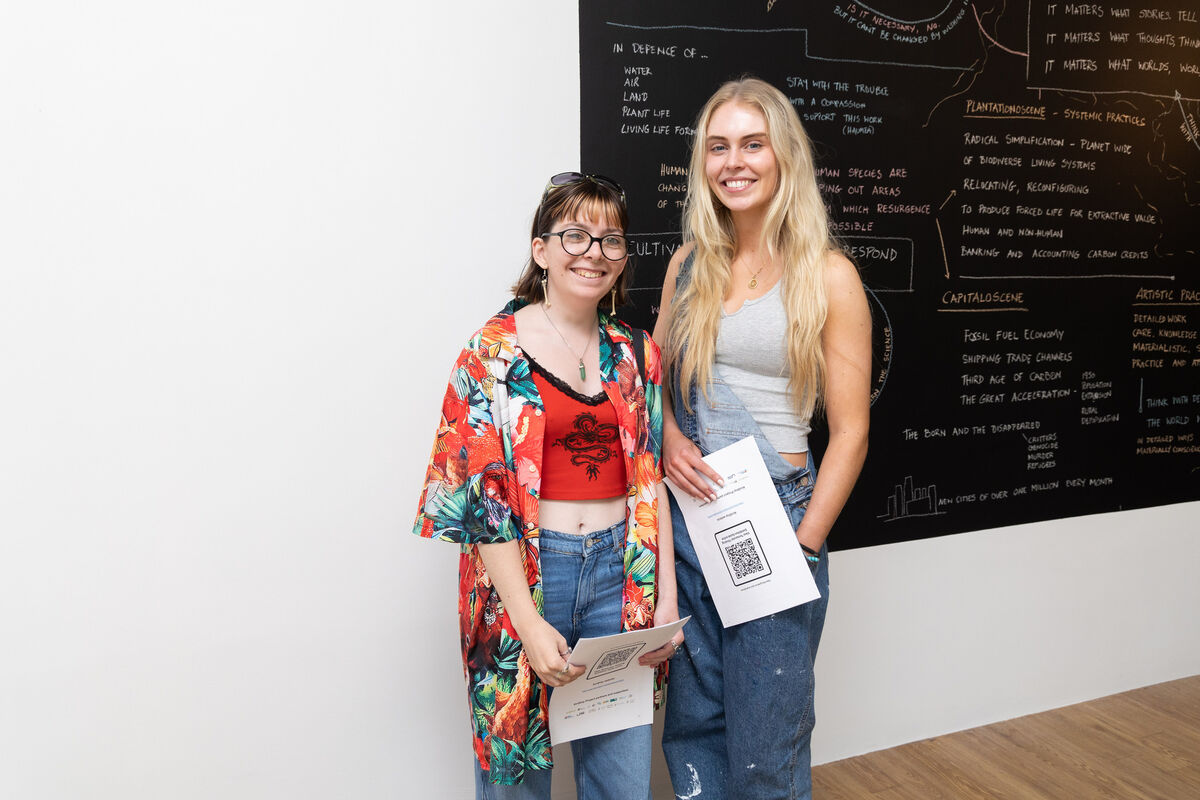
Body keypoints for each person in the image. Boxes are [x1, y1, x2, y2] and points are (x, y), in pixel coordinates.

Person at [413, 172, 682, 800]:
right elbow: (479, 506)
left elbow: (652, 479)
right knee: (515, 776)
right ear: (540, 250)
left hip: (620, 574)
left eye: (611, 241)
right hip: (528, 577)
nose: (594, 253)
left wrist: (665, 600)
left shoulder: (638, 353)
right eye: (575, 235)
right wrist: (528, 624)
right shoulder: (489, 355)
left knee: (621, 776)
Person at [653, 78, 872, 799]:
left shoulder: (828, 276)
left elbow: (850, 432)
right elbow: (652, 383)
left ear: (783, 156)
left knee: (765, 744)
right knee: (692, 728)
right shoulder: (688, 266)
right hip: (690, 520)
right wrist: (669, 437)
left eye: (752, 143)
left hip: (776, 520)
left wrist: (803, 547)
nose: (733, 161)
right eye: (718, 146)